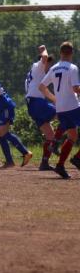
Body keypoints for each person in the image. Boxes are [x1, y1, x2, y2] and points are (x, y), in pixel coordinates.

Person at [39, 41, 80, 179]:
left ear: (60, 53)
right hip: (73, 107)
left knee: (72, 136)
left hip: (61, 108)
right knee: (72, 135)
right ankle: (78, 158)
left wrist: (54, 99)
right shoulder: (72, 68)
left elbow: (41, 87)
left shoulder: (54, 68)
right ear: (72, 53)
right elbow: (76, 89)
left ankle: (60, 165)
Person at [25, 45, 64, 170]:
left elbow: (45, 91)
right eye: (49, 64)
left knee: (50, 135)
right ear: (44, 61)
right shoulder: (39, 66)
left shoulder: (36, 73)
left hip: (33, 105)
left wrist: (56, 100)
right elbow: (45, 56)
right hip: (37, 103)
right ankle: (56, 144)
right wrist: (43, 49)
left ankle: (44, 163)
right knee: (64, 115)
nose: (50, 67)